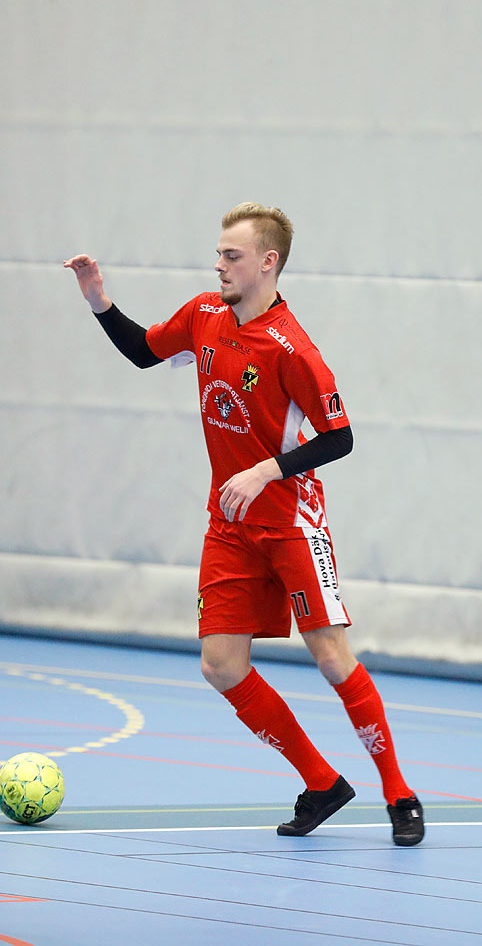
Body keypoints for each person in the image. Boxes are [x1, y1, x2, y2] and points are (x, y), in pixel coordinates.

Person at [65, 202, 424, 846]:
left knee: (331, 657)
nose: (219, 265)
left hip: (289, 519)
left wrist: (267, 470)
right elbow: (146, 353)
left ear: (268, 263)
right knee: (220, 663)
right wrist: (98, 302)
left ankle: (399, 793)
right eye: (219, 253)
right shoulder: (205, 314)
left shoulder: (294, 350)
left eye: (232, 255)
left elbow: (339, 437)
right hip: (229, 524)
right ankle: (321, 781)